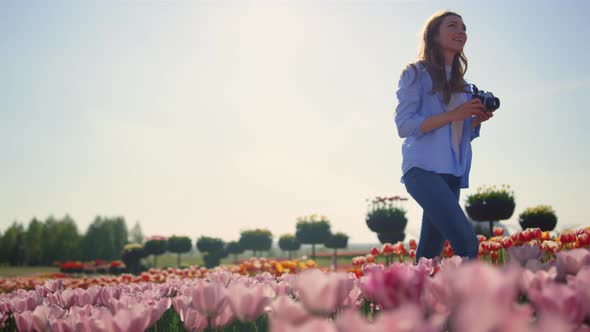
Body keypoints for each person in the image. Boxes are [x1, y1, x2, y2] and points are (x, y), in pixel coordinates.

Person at [394, 10, 495, 262]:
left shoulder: (463, 85)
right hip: (422, 171)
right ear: (434, 34)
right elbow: (403, 126)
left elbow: (456, 136)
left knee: (428, 257)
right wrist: (454, 115)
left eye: (464, 27)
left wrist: (473, 122)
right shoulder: (415, 73)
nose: (461, 32)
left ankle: (414, 299)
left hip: (452, 175)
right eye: (452, 26)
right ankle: (468, 301)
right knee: (467, 243)